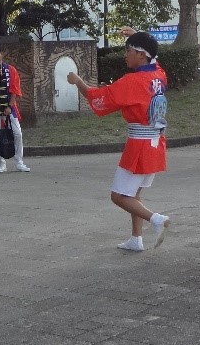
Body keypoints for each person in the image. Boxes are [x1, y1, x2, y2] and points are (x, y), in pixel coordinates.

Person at [67, 32, 170, 252]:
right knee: (134, 194)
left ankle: (157, 220)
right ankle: (136, 239)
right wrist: (137, 36)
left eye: (129, 50)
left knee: (119, 196)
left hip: (139, 145)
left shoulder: (132, 82)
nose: (125, 55)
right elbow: (154, 59)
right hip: (156, 142)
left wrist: (78, 81)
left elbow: (98, 98)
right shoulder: (159, 75)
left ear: (141, 55)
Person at [0, 44, 30, 172]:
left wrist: (9, 106)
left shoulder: (11, 70)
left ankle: (19, 162)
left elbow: (15, 90)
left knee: (17, 133)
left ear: (2, 55)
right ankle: (0, 164)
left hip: (9, 108)